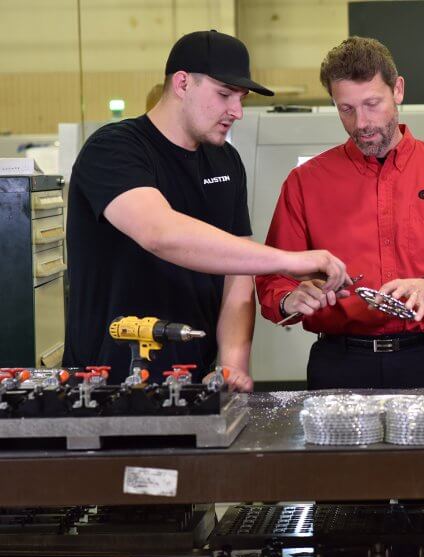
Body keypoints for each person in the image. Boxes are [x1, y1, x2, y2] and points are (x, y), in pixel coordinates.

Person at [64, 30, 350, 390]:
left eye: (241, 98)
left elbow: (237, 276)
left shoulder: (225, 161)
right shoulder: (113, 150)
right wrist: (289, 260)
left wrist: (231, 364)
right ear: (182, 83)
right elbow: (160, 233)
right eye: (224, 94)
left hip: (193, 381)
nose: (237, 111)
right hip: (107, 383)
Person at [255, 37, 424, 390]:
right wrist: (289, 298)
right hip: (339, 366)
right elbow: (271, 281)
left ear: (398, 90)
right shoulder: (305, 183)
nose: (362, 123)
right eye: (346, 109)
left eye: (372, 104)